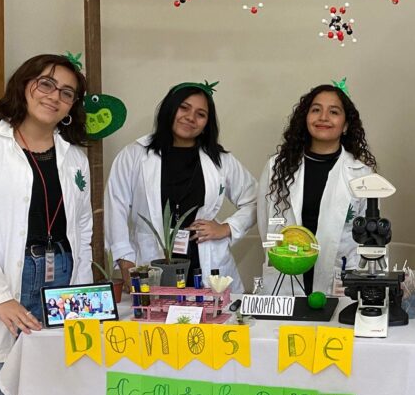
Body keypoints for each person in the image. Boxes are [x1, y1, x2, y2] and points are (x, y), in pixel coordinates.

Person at [0, 54, 93, 395]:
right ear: (24, 84)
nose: (54, 96)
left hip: (59, 284)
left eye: (66, 93)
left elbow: (82, 233)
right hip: (4, 285)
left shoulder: (75, 158)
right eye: (45, 84)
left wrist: (79, 304)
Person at [105, 81, 257, 294]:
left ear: (207, 123)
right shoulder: (134, 155)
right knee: (154, 323)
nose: (190, 117)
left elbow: (256, 200)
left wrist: (227, 227)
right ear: (169, 108)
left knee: (214, 322)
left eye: (201, 114)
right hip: (152, 262)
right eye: (184, 108)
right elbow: (116, 208)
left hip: (204, 260)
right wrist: (125, 261)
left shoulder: (220, 160)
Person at [258, 84, 376, 295]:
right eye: (315, 110)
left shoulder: (361, 174)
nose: (323, 117)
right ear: (305, 118)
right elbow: (264, 221)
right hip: (286, 276)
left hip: (339, 279)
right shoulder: (277, 167)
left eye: (333, 112)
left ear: (346, 125)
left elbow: (367, 236)